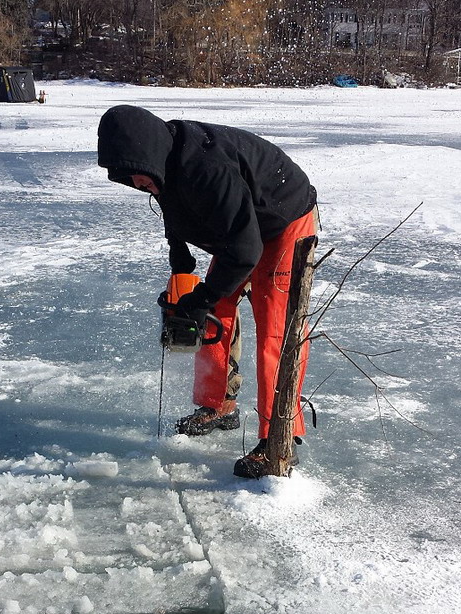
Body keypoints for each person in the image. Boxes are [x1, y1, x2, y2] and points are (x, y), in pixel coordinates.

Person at [97, 104, 317, 478]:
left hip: (282, 221)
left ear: (148, 153)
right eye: (134, 181)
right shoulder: (163, 162)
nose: (139, 186)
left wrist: (201, 298)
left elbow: (246, 250)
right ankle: (218, 404)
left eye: (141, 180)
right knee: (215, 315)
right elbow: (176, 207)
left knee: (275, 330)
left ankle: (279, 438)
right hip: (239, 230)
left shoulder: (206, 168)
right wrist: (180, 260)